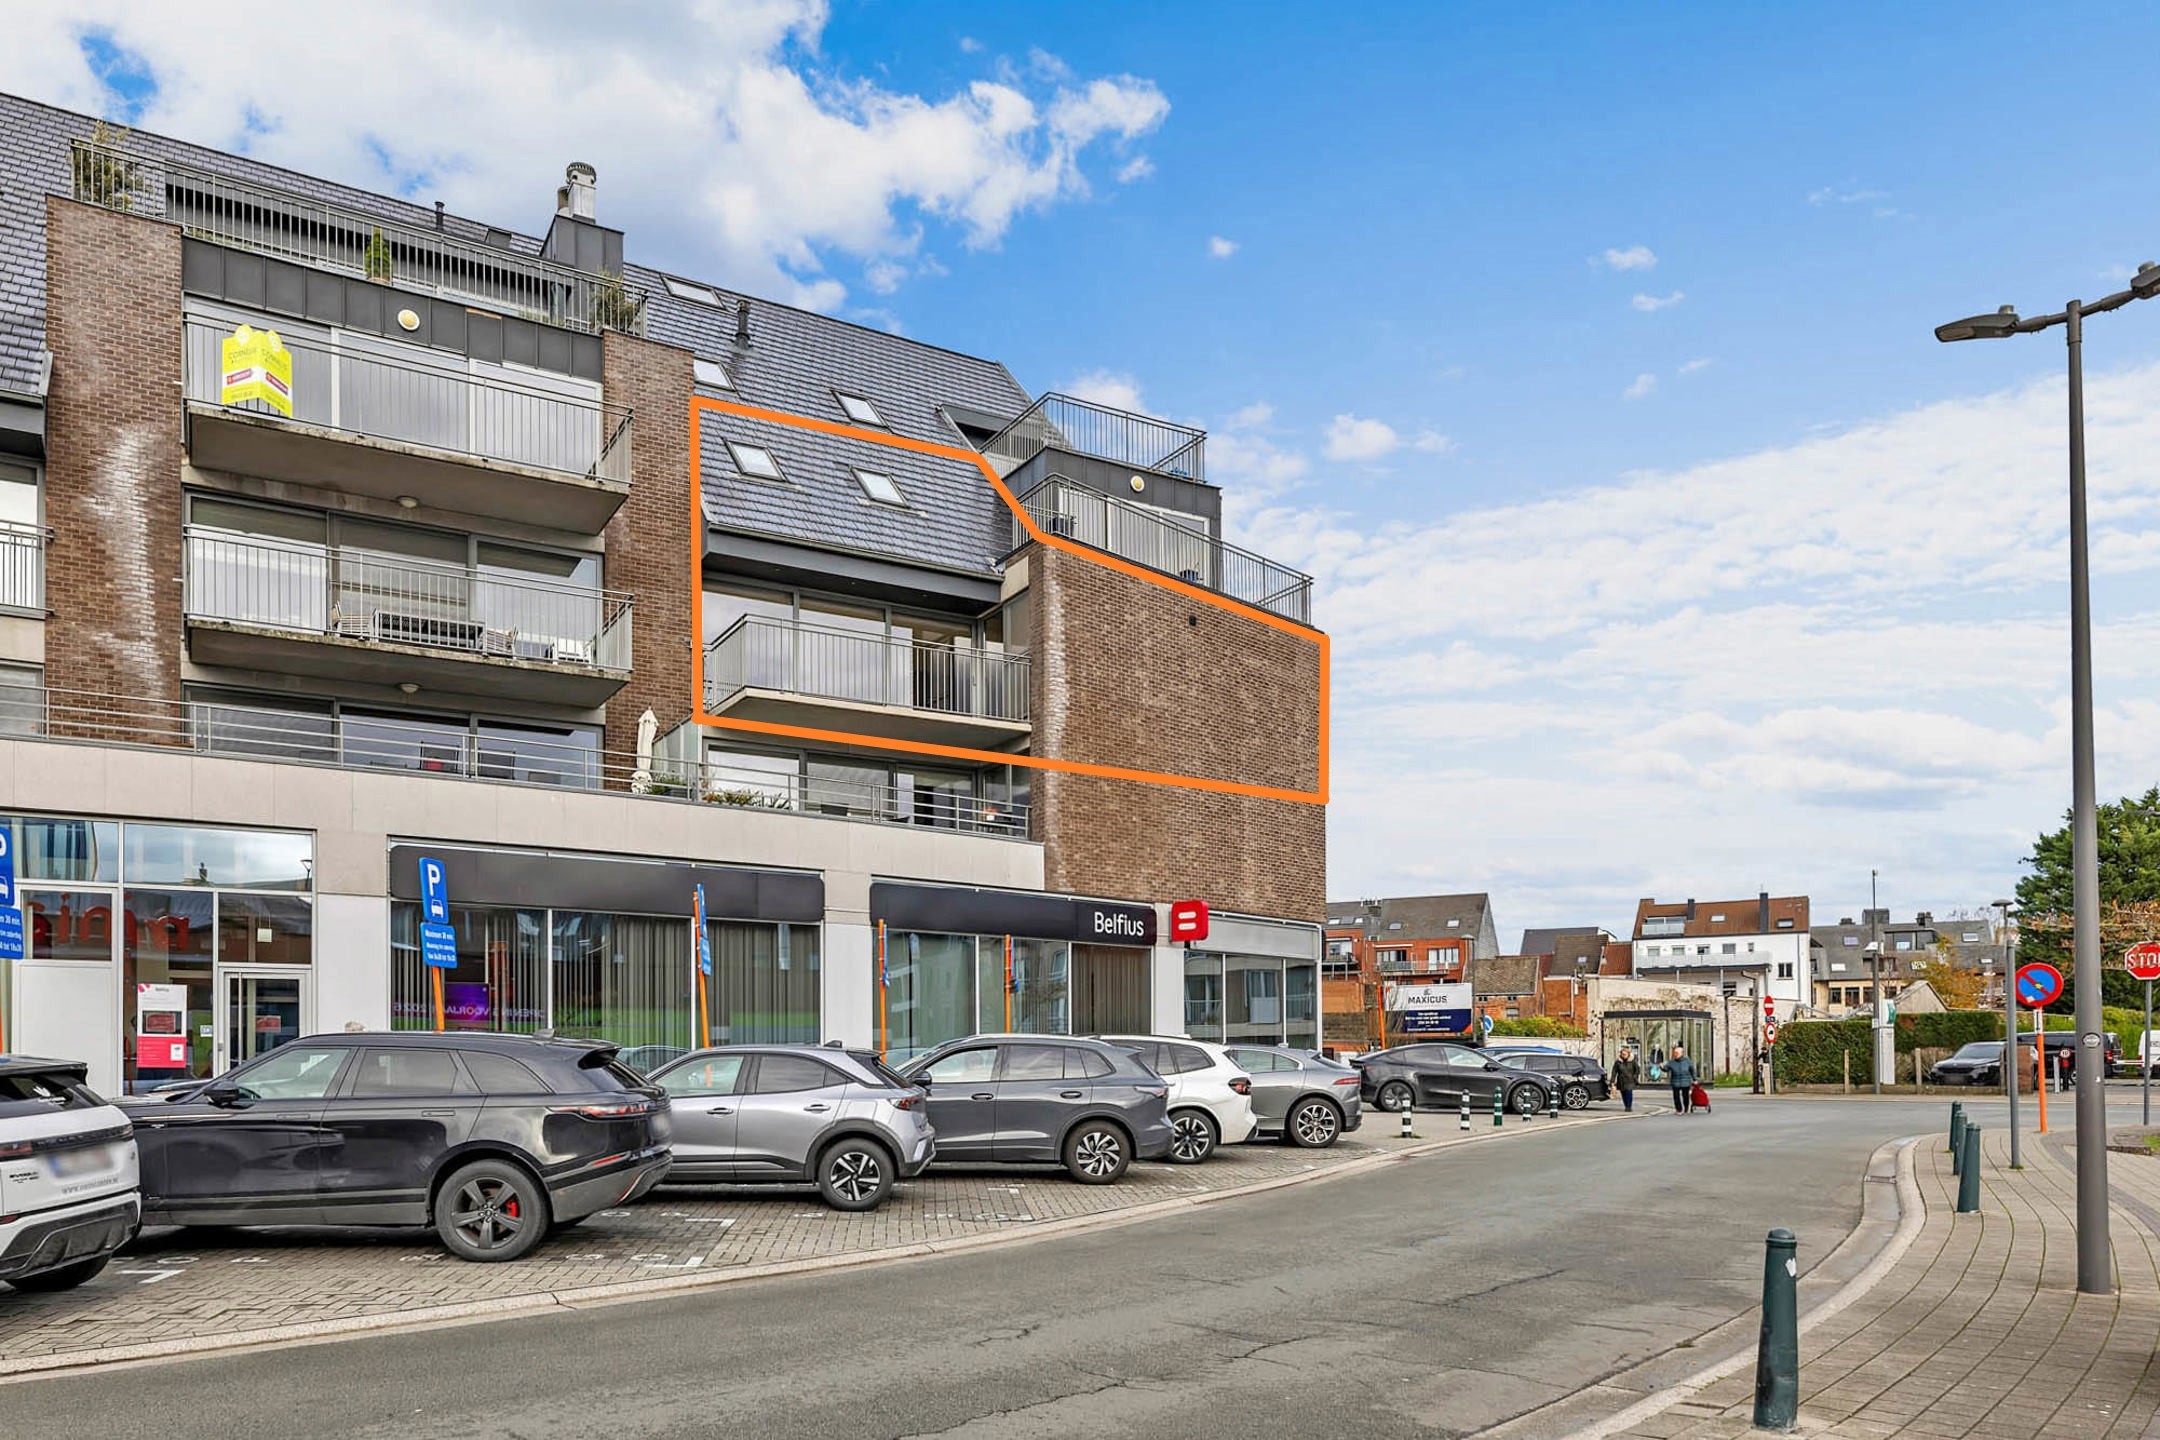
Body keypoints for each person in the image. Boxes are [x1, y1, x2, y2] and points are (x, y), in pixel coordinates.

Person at [1667, 1044, 1698, 1115]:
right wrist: (1661, 1067)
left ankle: (1686, 1108)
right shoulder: (1672, 1062)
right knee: (1676, 1097)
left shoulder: (1687, 1061)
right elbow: (1666, 1068)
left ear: (1681, 1054)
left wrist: (1694, 1079)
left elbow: (1692, 1070)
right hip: (1675, 1082)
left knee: (1686, 1096)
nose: (1675, 1054)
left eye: (1676, 1053)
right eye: (1674, 1053)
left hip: (1685, 1082)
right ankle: (1679, 1109)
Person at [1610, 1046, 1642, 1112]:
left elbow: (1637, 1070)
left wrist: (1635, 1076)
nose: (1623, 1055)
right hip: (1621, 1080)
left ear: (1628, 1054)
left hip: (1630, 1080)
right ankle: (1626, 1105)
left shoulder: (1632, 1061)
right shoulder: (1618, 1062)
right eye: (1622, 1054)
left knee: (1629, 1093)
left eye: (1625, 1054)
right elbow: (1614, 1072)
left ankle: (1629, 1106)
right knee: (1623, 1094)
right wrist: (1612, 1081)